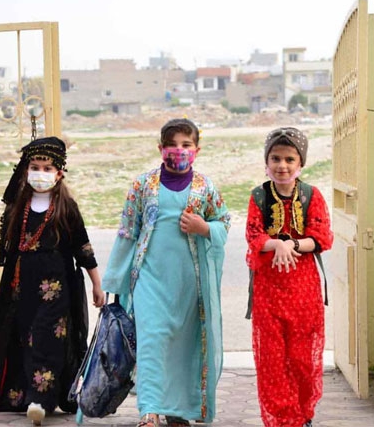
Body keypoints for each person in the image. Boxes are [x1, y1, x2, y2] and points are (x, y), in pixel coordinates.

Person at [103, 118, 230, 427]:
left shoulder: (205, 187)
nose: (179, 150)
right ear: (160, 148)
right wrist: (114, 280)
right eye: (172, 145)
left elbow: (223, 222)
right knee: (151, 341)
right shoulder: (142, 185)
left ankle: (178, 410)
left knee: (183, 346)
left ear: (197, 149)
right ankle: (149, 410)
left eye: (186, 145)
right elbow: (127, 232)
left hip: (189, 283)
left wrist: (203, 227)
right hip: (149, 278)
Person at [0, 136, 105, 426]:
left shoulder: (66, 207)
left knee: (46, 338)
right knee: (23, 338)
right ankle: (25, 396)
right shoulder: (18, 207)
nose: (41, 174)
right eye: (35, 167)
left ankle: (40, 400)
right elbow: (11, 250)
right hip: (21, 288)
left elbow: (83, 248)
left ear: (59, 173)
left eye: (47, 169)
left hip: (55, 290)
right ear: (26, 170)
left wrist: (97, 285)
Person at [245, 127, 334, 427]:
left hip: (303, 289)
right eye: (275, 158)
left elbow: (321, 237)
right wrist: (276, 245)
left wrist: (291, 244)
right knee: (272, 359)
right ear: (266, 161)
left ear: (301, 163)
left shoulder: (312, 195)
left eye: (289, 159)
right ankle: (284, 420)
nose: (282, 166)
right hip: (268, 289)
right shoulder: (258, 196)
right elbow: (254, 236)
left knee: (301, 358)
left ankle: (303, 414)